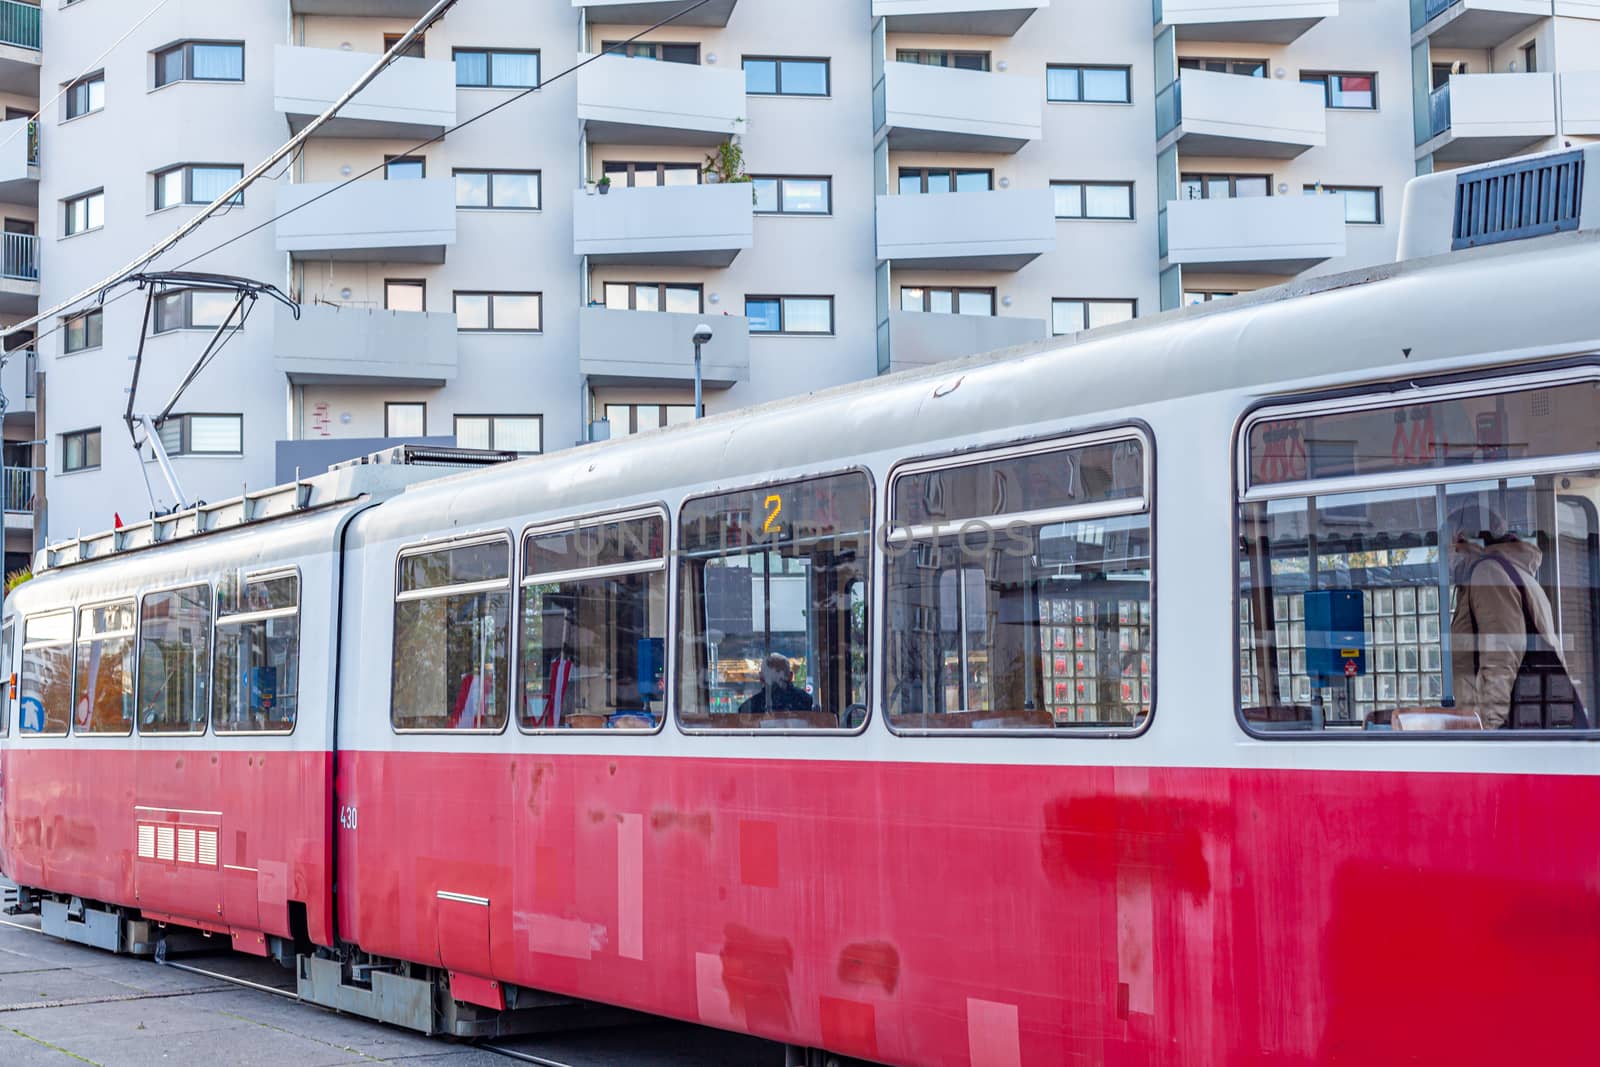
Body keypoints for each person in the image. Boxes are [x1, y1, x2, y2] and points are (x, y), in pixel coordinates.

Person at [1448, 501, 1569, 729]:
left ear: (1460, 539)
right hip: (1523, 718)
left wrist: (1491, 731)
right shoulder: (1514, 572)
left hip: (1499, 725)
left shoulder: (1488, 574)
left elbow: (1500, 659)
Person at [738, 653, 814, 715]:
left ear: (761, 679)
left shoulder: (749, 708)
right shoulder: (807, 702)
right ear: (791, 676)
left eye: (780, 676)